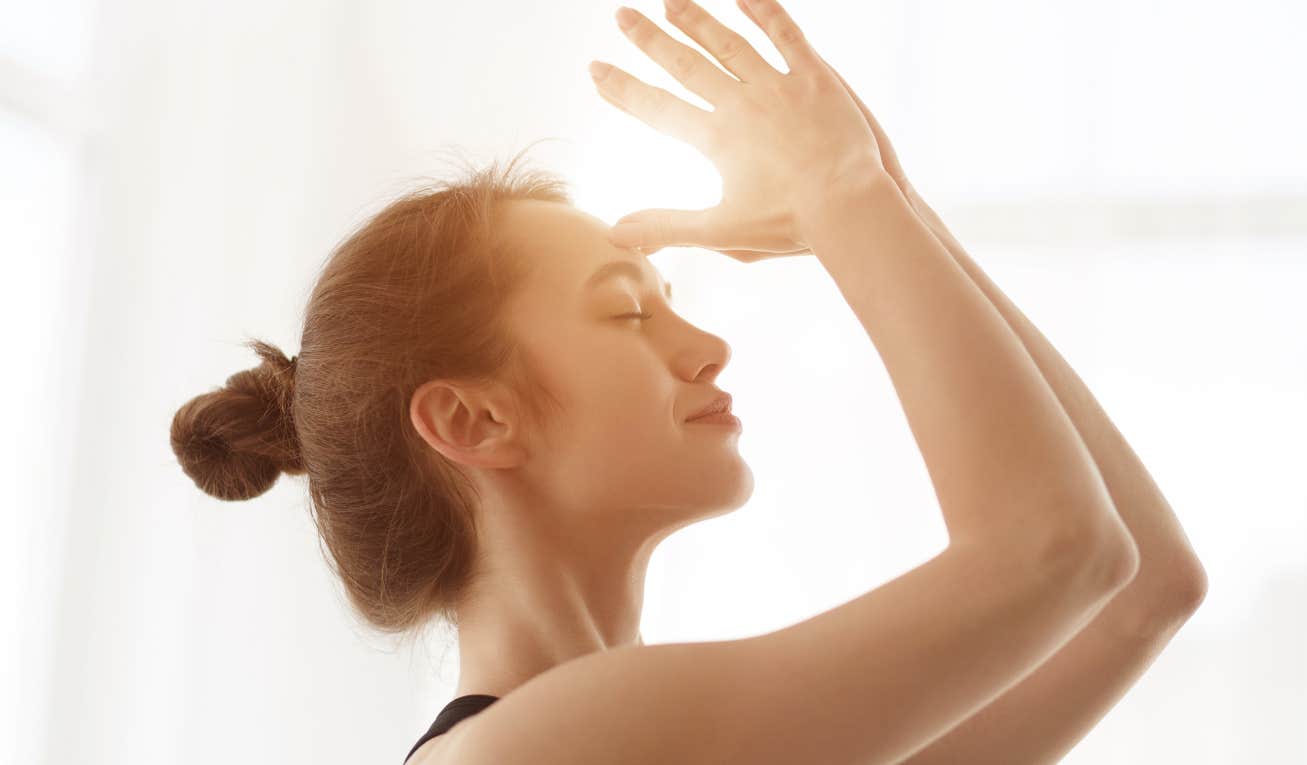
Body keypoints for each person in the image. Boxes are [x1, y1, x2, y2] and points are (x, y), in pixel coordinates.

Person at [171, 1, 1205, 763]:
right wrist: (847, 194)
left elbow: (1138, 590)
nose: (705, 343)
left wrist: (887, 207)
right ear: (473, 419)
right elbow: (1056, 553)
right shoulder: (546, 749)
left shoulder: (628, 733)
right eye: (628, 310)